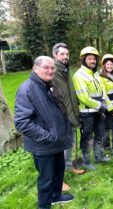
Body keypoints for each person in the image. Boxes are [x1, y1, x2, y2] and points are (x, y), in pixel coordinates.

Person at [14, 56, 74, 209]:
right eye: (46, 67)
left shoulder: (49, 85)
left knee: (58, 171)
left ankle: (55, 196)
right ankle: (44, 206)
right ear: (35, 68)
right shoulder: (26, 90)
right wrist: (49, 137)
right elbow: (22, 122)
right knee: (46, 178)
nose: (50, 71)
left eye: (53, 68)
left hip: (57, 141)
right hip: (43, 144)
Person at [52, 43, 85, 192]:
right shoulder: (53, 71)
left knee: (70, 143)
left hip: (70, 115)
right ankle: (57, 180)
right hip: (59, 117)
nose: (65, 57)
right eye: (62, 54)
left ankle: (67, 166)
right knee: (58, 148)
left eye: (67, 54)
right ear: (55, 55)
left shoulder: (66, 70)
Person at [72, 47, 111, 171]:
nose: (93, 61)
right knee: (88, 137)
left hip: (98, 111)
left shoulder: (95, 74)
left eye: (94, 59)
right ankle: (86, 161)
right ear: (84, 59)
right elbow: (83, 97)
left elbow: (102, 90)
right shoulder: (79, 75)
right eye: (89, 58)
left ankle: (99, 156)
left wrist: (104, 101)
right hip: (87, 113)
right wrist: (100, 105)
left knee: (100, 134)